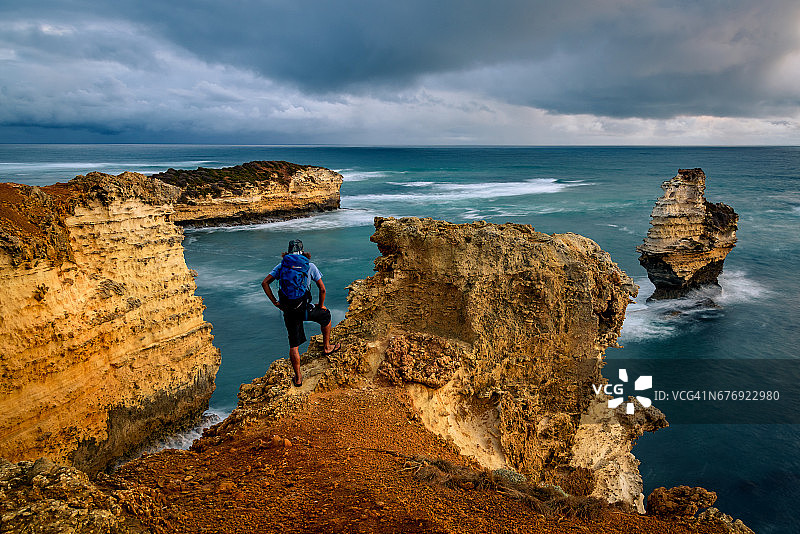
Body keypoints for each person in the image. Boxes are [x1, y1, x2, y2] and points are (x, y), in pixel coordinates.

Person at [261, 239, 340, 387]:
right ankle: (327, 347)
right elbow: (322, 289)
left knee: (294, 345)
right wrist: (321, 305)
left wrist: (275, 302)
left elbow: (265, 283)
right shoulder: (310, 266)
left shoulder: (281, 266)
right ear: (303, 252)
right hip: (304, 309)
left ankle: (298, 378)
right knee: (326, 316)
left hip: (288, 310)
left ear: (288, 252)